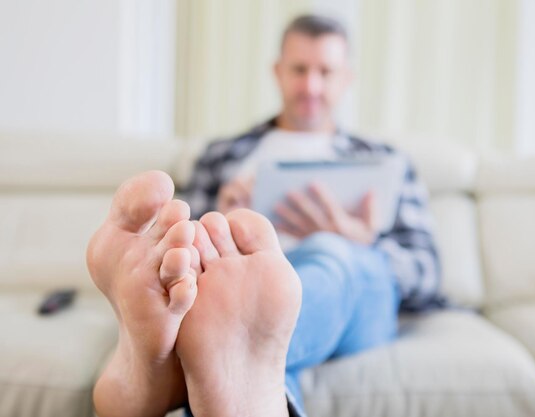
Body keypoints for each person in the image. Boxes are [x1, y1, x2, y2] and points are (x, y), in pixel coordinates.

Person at [87, 14, 442, 417]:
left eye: (325, 72)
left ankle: (170, 367)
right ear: (278, 72)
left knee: (300, 275)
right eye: (299, 69)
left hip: (352, 282)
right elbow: (180, 249)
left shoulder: (384, 163)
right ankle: (225, 360)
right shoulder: (225, 156)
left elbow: (427, 272)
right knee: (249, 356)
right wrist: (220, 216)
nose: (311, 85)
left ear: (347, 78)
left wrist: (355, 236)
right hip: (238, 286)